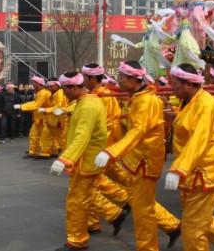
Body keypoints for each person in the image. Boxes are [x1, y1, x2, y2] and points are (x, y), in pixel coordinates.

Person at [164, 64, 214, 251]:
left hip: (204, 172)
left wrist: (178, 168)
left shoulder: (205, 105)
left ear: (188, 84)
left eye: (175, 83)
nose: (172, 87)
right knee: (199, 218)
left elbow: (198, 140)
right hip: (193, 171)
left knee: (192, 230)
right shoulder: (187, 101)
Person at [48, 71, 127, 251]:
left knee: (76, 200)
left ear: (74, 87)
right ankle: (114, 214)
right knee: (87, 194)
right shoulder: (87, 101)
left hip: (86, 161)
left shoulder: (88, 106)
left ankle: (77, 240)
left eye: (65, 90)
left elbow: (82, 136)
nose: (64, 94)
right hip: (87, 158)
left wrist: (64, 160)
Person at [94, 61, 167, 251]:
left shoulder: (146, 100)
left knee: (143, 211)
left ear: (134, 79)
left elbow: (139, 131)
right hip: (138, 159)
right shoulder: (138, 97)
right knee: (142, 207)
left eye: (121, 77)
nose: (118, 80)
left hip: (147, 161)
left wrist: (112, 151)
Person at [16, 76, 51, 158]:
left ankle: (45, 152)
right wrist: (22, 106)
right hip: (38, 118)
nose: (32, 84)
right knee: (33, 134)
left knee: (44, 136)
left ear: (38, 84)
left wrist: (22, 106)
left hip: (43, 118)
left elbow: (36, 104)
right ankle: (33, 151)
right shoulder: (39, 92)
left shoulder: (42, 93)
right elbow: (35, 103)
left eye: (34, 83)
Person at [38, 78, 68, 159]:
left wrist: (45, 110)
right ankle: (46, 152)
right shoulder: (55, 92)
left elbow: (58, 106)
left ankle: (68, 155)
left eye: (51, 86)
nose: (49, 88)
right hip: (51, 119)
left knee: (61, 139)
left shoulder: (60, 93)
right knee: (46, 135)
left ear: (56, 85)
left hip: (57, 119)